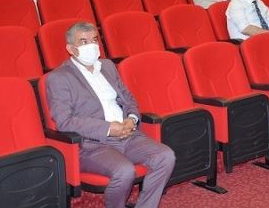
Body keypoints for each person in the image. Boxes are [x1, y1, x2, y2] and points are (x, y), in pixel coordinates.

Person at [46, 21, 175, 208]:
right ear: (71, 49)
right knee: (124, 171)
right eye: (84, 42)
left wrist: (131, 119)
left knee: (166, 156)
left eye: (94, 40)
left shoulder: (107, 66)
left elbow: (129, 99)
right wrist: (108, 128)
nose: (92, 46)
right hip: (93, 144)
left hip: (128, 134)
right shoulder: (59, 78)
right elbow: (64, 121)